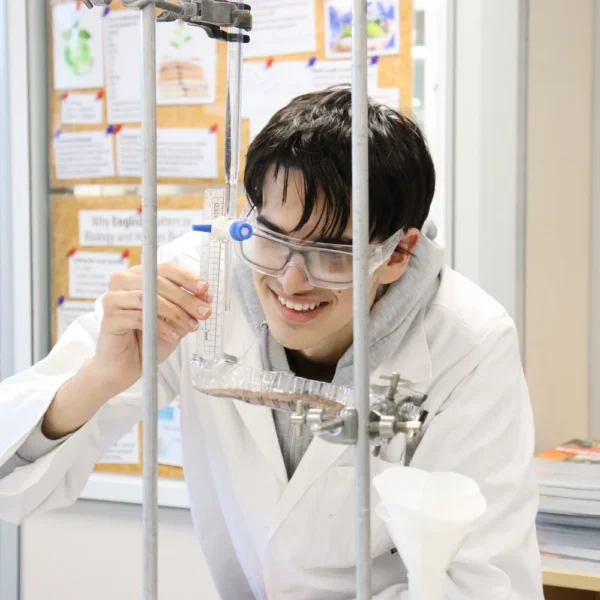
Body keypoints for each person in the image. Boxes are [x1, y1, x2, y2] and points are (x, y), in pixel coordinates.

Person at [0, 87, 543, 599]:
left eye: (333, 253)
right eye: (272, 237)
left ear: (398, 254)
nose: (290, 281)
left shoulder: (467, 343)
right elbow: (12, 481)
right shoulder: (191, 288)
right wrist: (100, 379)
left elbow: (484, 582)